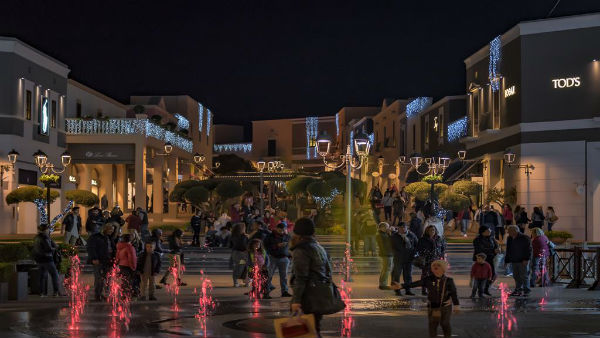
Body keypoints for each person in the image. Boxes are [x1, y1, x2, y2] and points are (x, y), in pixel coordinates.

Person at [290, 218, 334, 335]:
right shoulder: (318, 247)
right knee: (314, 329)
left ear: (298, 232)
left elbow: (301, 277)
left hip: (307, 296)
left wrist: (296, 300)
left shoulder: (301, 250)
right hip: (319, 295)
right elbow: (329, 270)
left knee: (305, 331)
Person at [394, 260, 459, 338]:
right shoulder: (428, 279)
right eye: (434, 265)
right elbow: (415, 284)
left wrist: (456, 305)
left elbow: (453, 293)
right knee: (433, 324)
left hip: (445, 306)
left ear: (443, 269)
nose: (436, 267)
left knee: (444, 323)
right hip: (432, 307)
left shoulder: (449, 281)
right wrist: (402, 286)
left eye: (438, 265)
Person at [33, 223, 63, 297]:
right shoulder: (45, 237)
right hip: (47, 259)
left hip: (39, 259)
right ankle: (56, 292)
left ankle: (41, 293)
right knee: (54, 274)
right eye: (48, 229)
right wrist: (55, 248)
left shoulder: (36, 237)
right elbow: (48, 248)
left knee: (42, 276)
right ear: (45, 229)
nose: (49, 230)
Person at [87, 223, 115, 301]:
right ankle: (98, 295)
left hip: (108, 261)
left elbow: (113, 248)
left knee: (108, 278)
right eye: (110, 229)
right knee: (99, 278)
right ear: (105, 229)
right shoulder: (95, 237)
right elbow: (91, 248)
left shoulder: (110, 237)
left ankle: (106, 294)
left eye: (112, 230)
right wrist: (94, 258)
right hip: (99, 260)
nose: (112, 231)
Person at [264, 223, 292, 298]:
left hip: (284, 258)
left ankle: (284, 291)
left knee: (284, 276)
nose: (282, 231)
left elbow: (291, 247)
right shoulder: (270, 236)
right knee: (269, 275)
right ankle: (266, 292)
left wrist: (289, 256)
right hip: (273, 257)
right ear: (276, 228)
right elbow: (266, 246)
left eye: (283, 230)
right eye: (280, 230)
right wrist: (276, 246)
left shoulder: (287, 236)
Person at [417, 225, 446, 295]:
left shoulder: (439, 239)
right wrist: (424, 253)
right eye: (430, 230)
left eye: (433, 230)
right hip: (427, 260)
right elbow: (419, 249)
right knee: (425, 275)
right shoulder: (423, 239)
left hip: (436, 260)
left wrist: (441, 256)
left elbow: (442, 248)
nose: (432, 231)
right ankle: (424, 290)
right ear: (427, 231)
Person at [391, 222, 418, 296]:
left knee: (408, 275)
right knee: (397, 275)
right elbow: (391, 246)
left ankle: (408, 290)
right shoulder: (394, 236)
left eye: (404, 227)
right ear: (398, 228)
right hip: (398, 259)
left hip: (409, 258)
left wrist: (414, 253)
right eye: (401, 227)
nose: (403, 229)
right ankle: (397, 290)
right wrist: (396, 253)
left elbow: (416, 245)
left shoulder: (411, 235)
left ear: (407, 227)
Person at [505, 225, 532, 296]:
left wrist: (526, 259)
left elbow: (528, 249)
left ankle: (526, 290)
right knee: (516, 276)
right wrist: (507, 260)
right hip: (514, 260)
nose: (508, 232)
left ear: (515, 231)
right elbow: (508, 250)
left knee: (524, 276)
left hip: (523, 260)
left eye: (509, 231)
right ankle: (518, 289)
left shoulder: (524, 238)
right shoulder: (509, 238)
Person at [472, 225, 499, 295]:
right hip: (481, 260)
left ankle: (486, 288)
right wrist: (493, 251)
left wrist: (497, 249)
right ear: (483, 232)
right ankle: (480, 290)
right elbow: (480, 250)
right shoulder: (477, 240)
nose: (490, 231)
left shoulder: (492, 238)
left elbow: (496, 246)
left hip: (490, 258)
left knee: (492, 274)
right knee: (481, 275)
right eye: (488, 230)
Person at [230, 223, 249, 287]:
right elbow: (243, 244)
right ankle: (240, 282)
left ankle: (238, 282)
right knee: (241, 267)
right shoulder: (242, 236)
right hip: (241, 254)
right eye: (244, 228)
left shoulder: (233, 236)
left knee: (241, 267)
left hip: (237, 253)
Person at [376, 222, 394, 290]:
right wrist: (390, 234)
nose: (388, 228)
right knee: (387, 269)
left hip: (386, 253)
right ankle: (383, 284)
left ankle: (382, 283)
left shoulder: (382, 234)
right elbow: (388, 242)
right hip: (387, 254)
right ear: (382, 227)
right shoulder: (381, 235)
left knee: (385, 269)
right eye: (387, 227)